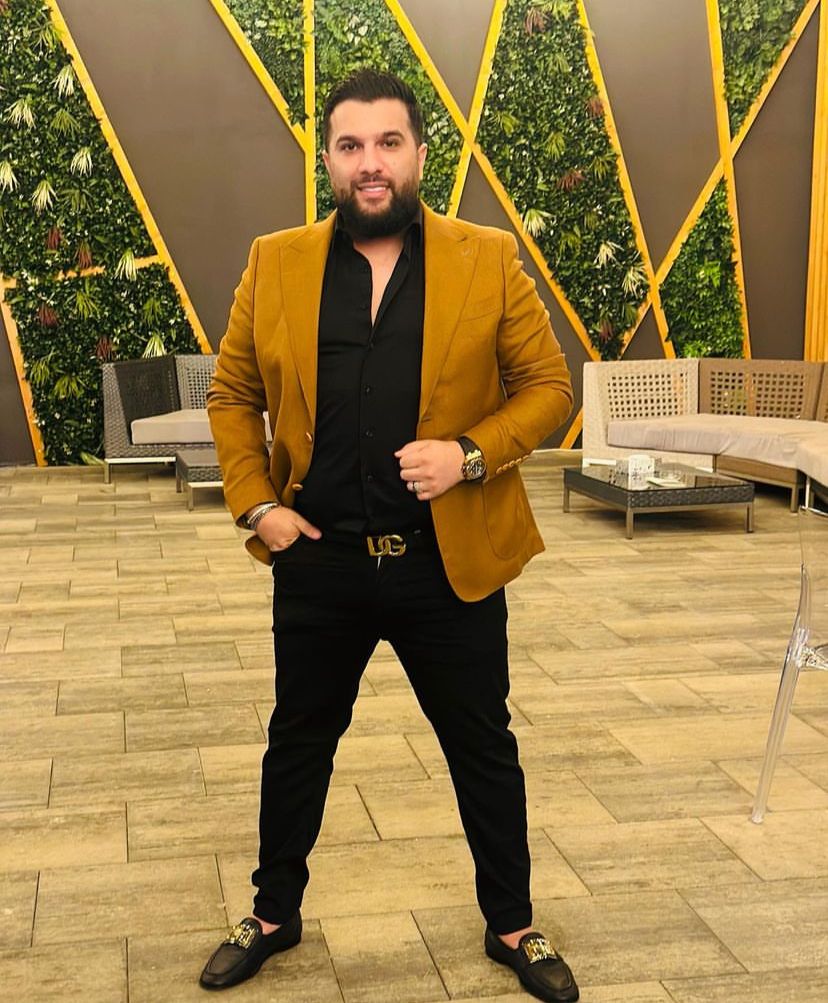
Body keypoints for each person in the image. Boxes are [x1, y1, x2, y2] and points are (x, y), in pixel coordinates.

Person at [200, 69, 578, 1003]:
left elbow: (549, 388)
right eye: (351, 146)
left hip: (446, 562)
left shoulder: (485, 257)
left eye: (388, 143)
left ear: (418, 154)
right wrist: (257, 506)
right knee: (298, 742)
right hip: (318, 557)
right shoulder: (275, 261)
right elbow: (232, 393)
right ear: (329, 161)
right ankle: (273, 913)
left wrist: (469, 455)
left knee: (482, 745)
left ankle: (513, 922)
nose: (370, 163)